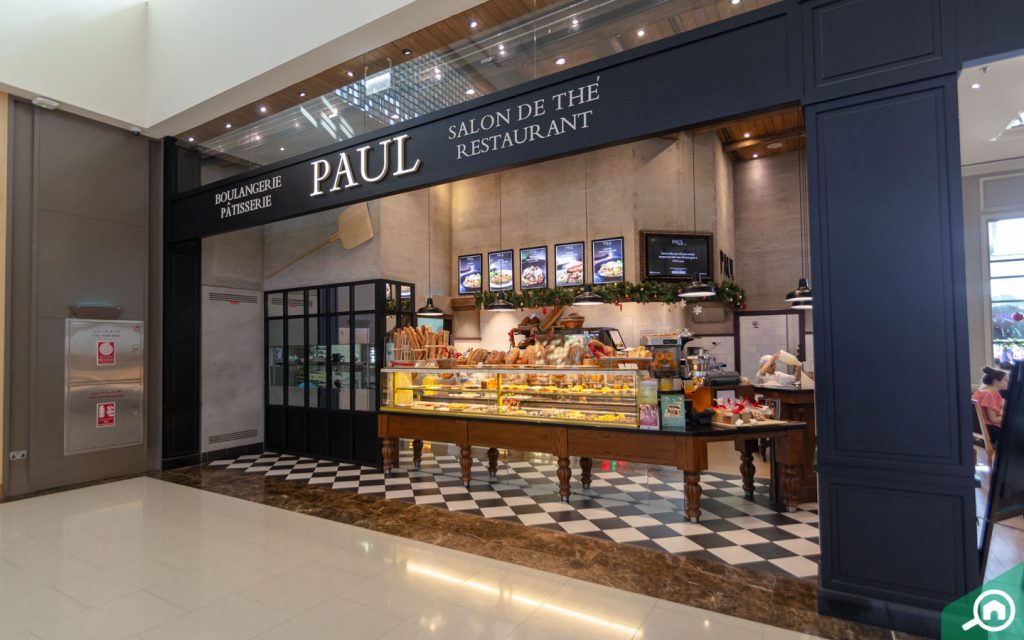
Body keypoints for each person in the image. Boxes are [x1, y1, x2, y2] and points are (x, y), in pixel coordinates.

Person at [972, 366, 1009, 443]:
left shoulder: (984, 391)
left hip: (979, 429)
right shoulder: (990, 395)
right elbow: (994, 420)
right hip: (989, 431)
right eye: (1005, 380)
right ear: (995, 381)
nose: (1008, 382)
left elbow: (1002, 403)